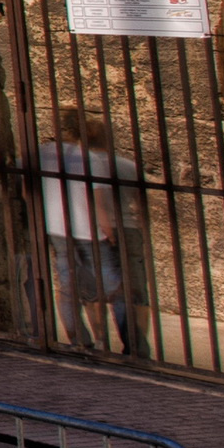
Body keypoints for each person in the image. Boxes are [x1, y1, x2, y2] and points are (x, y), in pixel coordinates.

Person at [38, 113, 143, 353]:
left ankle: (80, 341)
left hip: (57, 229)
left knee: (68, 288)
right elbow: (97, 203)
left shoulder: (43, 153)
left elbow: (27, 189)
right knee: (115, 288)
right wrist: (109, 232)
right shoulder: (89, 159)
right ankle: (132, 345)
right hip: (89, 232)